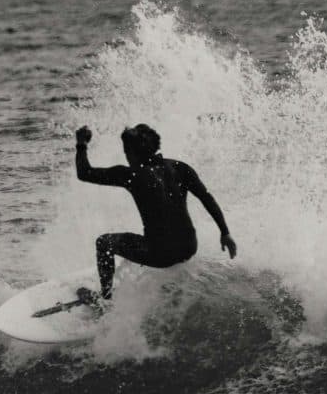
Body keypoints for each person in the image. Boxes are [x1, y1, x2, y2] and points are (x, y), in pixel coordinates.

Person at [73, 124, 236, 308]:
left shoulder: (131, 175)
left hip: (160, 254)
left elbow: (84, 173)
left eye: (126, 152)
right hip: (189, 247)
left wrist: (81, 143)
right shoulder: (180, 168)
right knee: (147, 238)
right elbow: (206, 198)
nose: (126, 158)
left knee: (104, 243)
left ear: (132, 153)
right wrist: (225, 232)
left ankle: (106, 302)